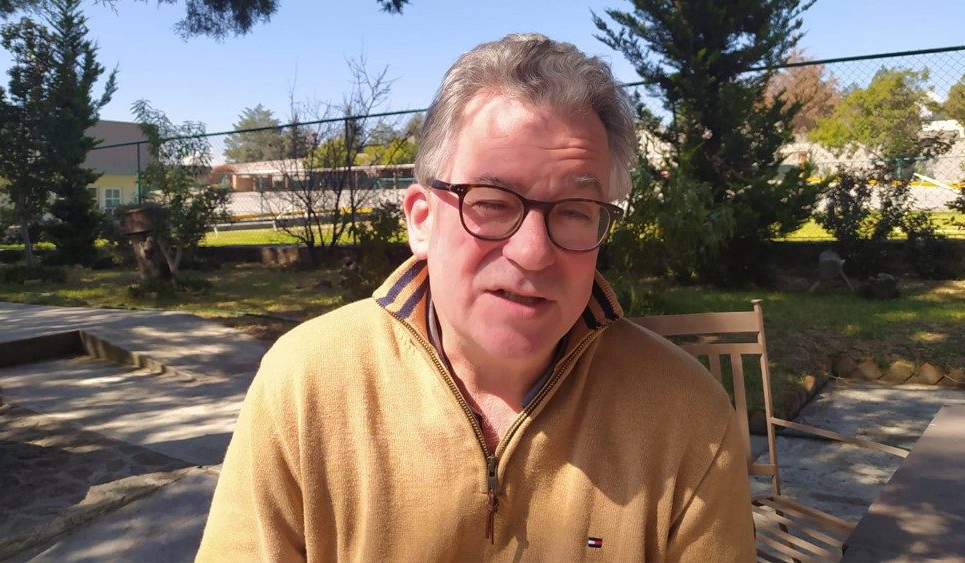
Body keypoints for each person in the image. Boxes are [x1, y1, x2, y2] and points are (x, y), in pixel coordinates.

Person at [197, 33, 755, 561]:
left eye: (575, 211)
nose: (533, 252)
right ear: (422, 221)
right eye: (490, 202)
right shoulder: (304, 384)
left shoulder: (689, 419)